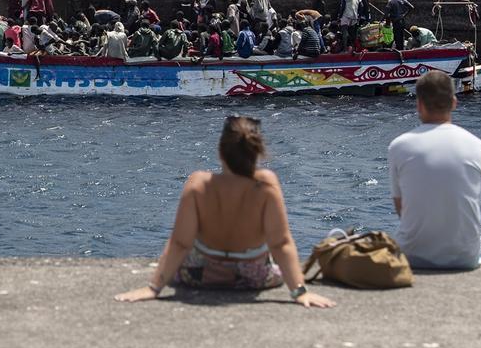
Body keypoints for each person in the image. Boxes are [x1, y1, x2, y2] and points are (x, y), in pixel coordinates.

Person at [115, 116, 335, 308]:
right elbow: (280, 244)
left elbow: (180, 243)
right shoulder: (266, 184)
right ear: (257, 153)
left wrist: (154, 288)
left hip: (199, 276)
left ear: (220, 152)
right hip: (253, 278)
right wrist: (300, 292)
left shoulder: (198, 184)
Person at [388, 71, 481, 269]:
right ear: (453, 103)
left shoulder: (399, 146)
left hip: (413, 254)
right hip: (466, 257)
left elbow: (402, 209)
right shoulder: (478, 146)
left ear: (419, 104)